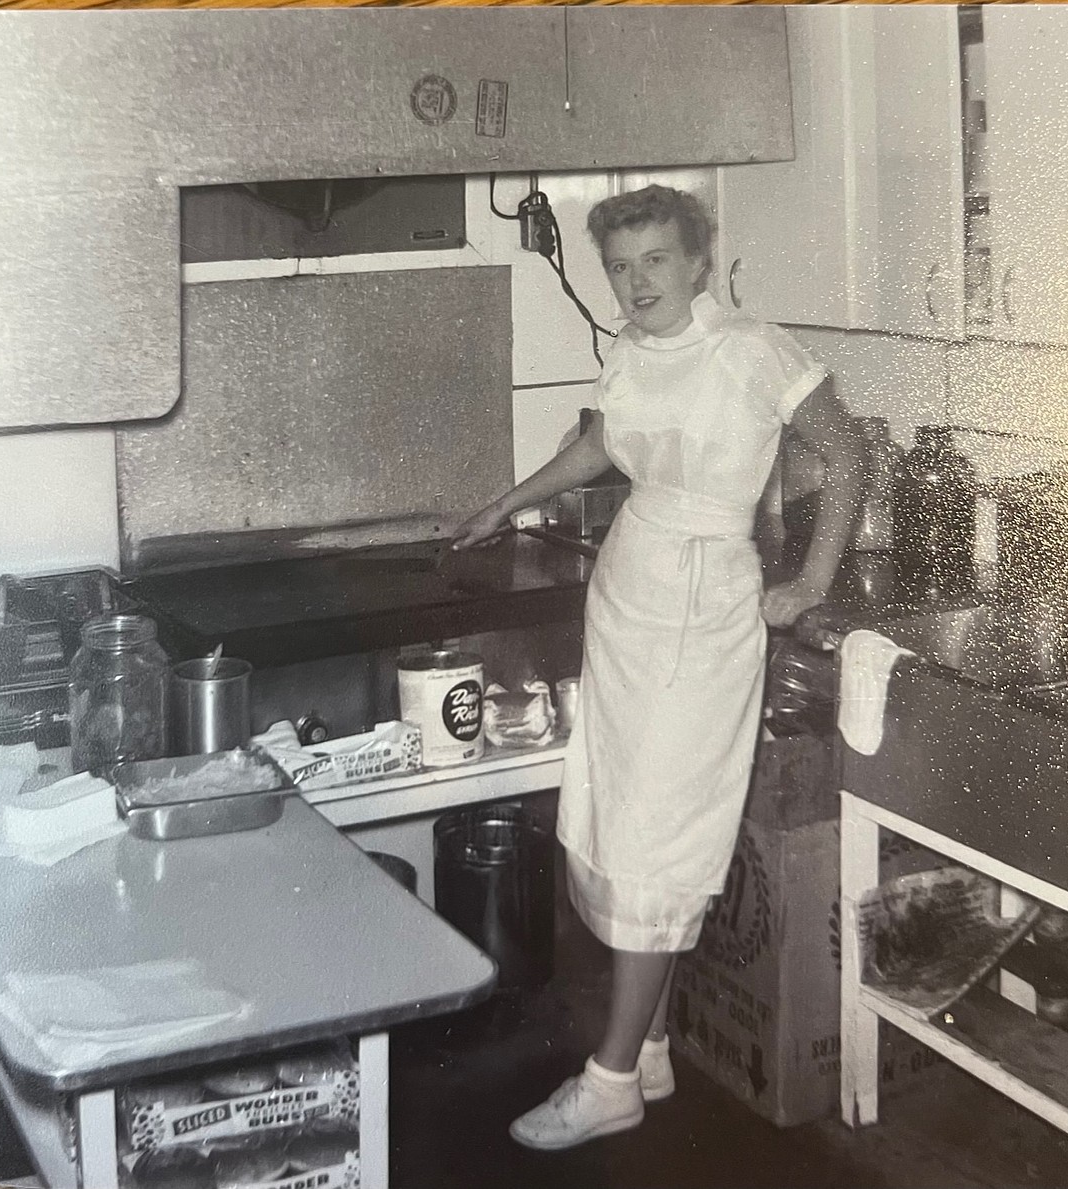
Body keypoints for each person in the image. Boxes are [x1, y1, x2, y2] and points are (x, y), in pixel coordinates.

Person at [452, 184, 863, 1151]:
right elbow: (599, 444)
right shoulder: (633, 351)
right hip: (630, 595)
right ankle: (653, 1046)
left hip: (705, 604)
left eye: (656, 261)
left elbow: (844, 456)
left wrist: (806, 582)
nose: (637, 282)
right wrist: (501, 506)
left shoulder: (754, 348)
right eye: (621, 265)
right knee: (626, 813)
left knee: (657, 831)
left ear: (697, 262)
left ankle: (608, 1080)